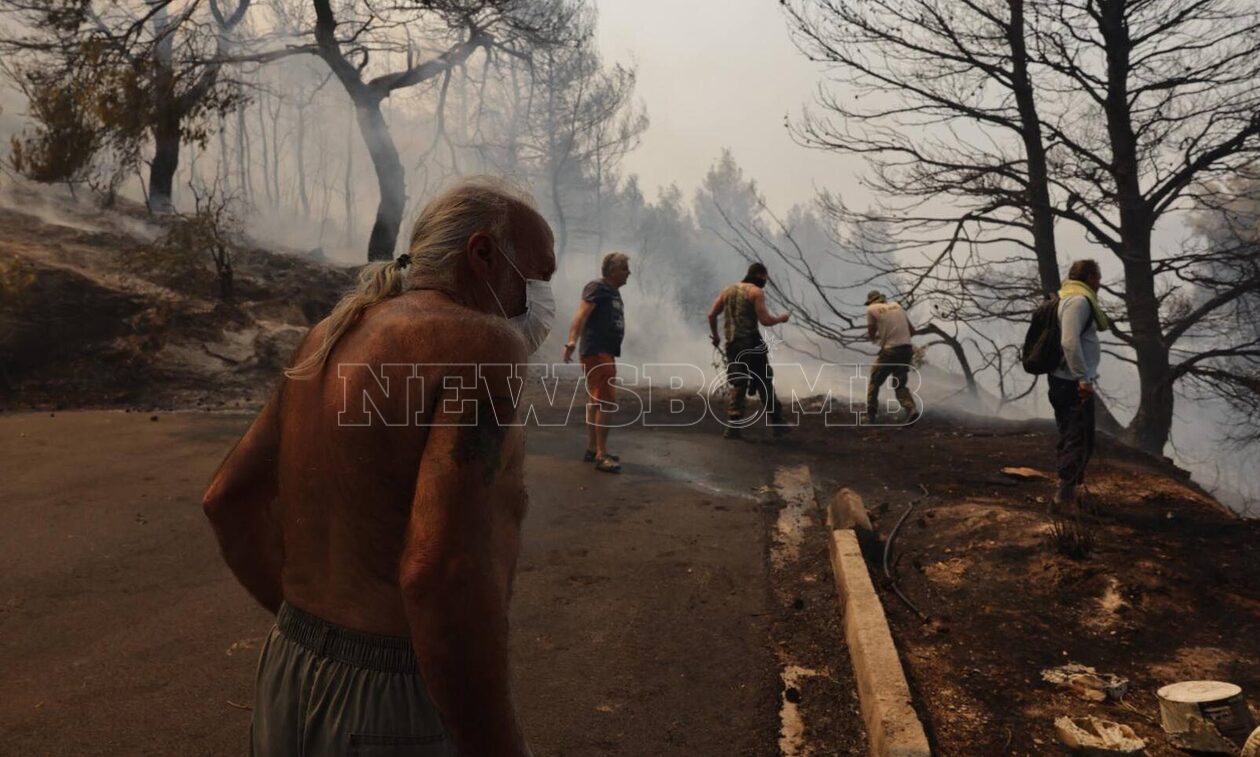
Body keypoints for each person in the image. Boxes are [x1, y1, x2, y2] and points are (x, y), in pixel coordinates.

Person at [201, 178, 555, 757]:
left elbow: (227, 498)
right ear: (483, 254)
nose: (540, 297)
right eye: (538, 276)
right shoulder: (484, 345)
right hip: (395, 707)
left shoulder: (329, 336)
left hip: (289, 671)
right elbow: (440, 571)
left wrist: (325, 634)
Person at [562, 252, 630, 473]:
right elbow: (581, 315)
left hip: (605, 351)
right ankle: (601, 455)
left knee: (596, 400)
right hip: (596, 350)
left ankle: (593, 449)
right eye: (624, 268)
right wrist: (571, 341)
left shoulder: (612, 292)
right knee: (606, 402)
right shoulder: (597, 288)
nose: (629, 272)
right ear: (612, 270)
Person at [707, 262, 790, 439]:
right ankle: (778, 423)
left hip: (732, 344)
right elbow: (765, 320)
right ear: (760, 275)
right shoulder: (756, 292)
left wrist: (716, 336)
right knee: (764, 380)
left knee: (738, 382)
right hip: (751, 342)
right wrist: (781, 319)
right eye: (765, 278)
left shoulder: (727, 290)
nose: (765, 282)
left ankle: (733, 427)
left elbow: (711, 315)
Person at [1049, 259, 1107, 509]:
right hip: (1072, 382)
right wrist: (1083, 379)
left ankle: (1069, 494)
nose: (1100, 283)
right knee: (1077, 436)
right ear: (1090, 277)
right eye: (1098, 277)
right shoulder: (1078, 301)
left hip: (1069, 379)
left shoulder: (1070, 296)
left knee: (1078, 435)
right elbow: (1069, 342)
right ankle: (1063, 498)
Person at [865, 289, 919, 423]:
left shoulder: (871, 309)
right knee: (900, 384)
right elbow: (912, 331)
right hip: (906, 349)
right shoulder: (898, 306)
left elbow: (871, 333)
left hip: (890, 350)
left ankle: (870, 415)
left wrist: (879, 338)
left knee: (875, 380)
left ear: (871, 301)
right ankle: (911, 409)